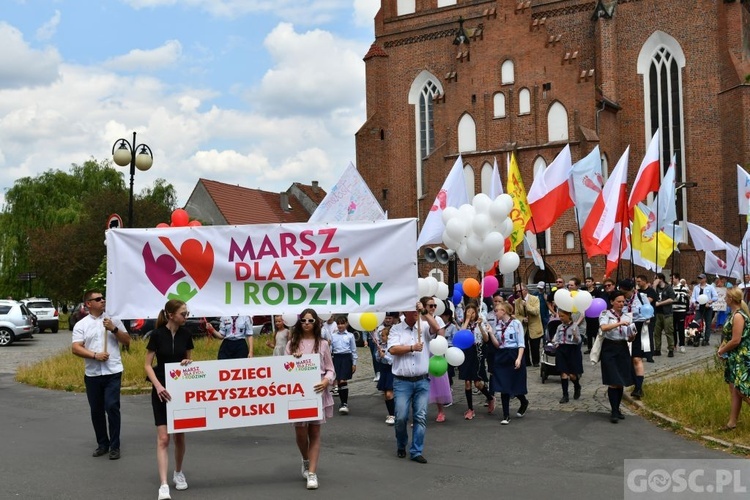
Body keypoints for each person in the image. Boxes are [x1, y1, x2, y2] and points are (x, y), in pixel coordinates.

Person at [144, 299, 194, 500]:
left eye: (187, 313)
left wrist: (187, 362)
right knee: (164, 438)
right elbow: (148, 365)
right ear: (171, 315)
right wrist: (158, 386)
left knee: (179, 436)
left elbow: (190, 362)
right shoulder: (156, 335)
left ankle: (178, 473)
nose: (186, 316)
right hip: (161, 389)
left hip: (180, 390)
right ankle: (164, 484)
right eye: (183, 313)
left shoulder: (186, 334)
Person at [71, 290, 130, 461]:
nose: (102, 300)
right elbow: (76, 348)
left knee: (112, 406)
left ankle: (115, 446)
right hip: (93, 373)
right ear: (88, 304)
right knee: (96, 410)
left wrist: (114, 329)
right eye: (98, 299)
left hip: (112, 371)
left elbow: (127, 340)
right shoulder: (81, 325)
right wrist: (95, 355)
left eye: (103, 298)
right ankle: (102, 443)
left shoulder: (113, 319)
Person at [286, 308, 335, 490]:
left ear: (316, 323)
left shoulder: (322, 344)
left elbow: (330, 368)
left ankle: (312, 473)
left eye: (311, 321)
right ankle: (306, 460)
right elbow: (283, 369)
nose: (307, 323)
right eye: (304, 320)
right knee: (300, 433)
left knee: (314, 432)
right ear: (299, 322)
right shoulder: (292, 344)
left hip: (317, 393)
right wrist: (293, 360)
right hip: (298, 395)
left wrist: (326, 381)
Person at [388, 300, 440, 464]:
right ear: (405, 312)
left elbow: (436, 329)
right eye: (413, 310)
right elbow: (393, 349)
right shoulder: (396, 329)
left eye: (416, 310)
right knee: (401, 417)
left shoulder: (423, 327)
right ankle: (401, 443)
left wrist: (425, 312)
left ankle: (416, 450)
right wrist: (411, 348)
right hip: (402, 381)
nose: (415, 312)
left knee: (420, 416)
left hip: (422, 381)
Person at [599, 290, 636, 423]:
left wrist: (632, 336)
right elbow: (604, 328)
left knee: (620, 381)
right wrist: (619, 323)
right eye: (618, 301)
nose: (621, 304)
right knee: (613, 380)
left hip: (622, 347)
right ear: (612, 302)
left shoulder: (627, 316)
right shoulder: (605, 314)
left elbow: (629, 337)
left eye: (623, 301)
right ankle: (614, 411)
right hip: (609, 347)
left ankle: (617, 408)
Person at [489, 302, 529, 425]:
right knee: (503, 385)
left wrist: (518, 358)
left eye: (497, 310)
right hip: (502, 355)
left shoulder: (516, 324)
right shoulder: (498, 325)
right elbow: (497, 344)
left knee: (515, 385)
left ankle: (523, 401)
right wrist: (490, 332)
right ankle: (506, 415)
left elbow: (521, 343)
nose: (495, 312)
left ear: (504, 311)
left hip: (513, 354)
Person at [716, 288, 750, 430]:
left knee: (742, 390)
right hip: (734, 356)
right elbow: (729, 337)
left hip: (742, 356)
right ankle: (732, 422)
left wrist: (722, 350)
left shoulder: (738, 316)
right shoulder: (733, 314)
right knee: (735, 390)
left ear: (731, 299)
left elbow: (736, 340)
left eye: (726, 297)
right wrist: (723, 347)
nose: (724, 299)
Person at [458, 303, 494, 420]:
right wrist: (467, 320)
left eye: (473, 312)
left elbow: (486, 339)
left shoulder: (481, 322)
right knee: (467, 382)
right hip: (466, 352)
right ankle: (470, 409)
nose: (471, 315)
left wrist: (480, 327)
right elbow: (461, 335)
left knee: (477, 383)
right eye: (468, 312)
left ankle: (489, 397)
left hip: (477, 352)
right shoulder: (464, 324)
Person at [618, 279, 648, 399]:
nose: (623, 295)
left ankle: (639, 388)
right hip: (625, 326)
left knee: (636, 358)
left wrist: (648, 318)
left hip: (639, 326)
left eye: (625, 292)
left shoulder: (641, 297)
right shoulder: (620, 299)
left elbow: (649, 311)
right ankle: (632, 382)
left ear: (631, 290)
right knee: (627, 358)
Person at [552, 307, 583, 403]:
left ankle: (577, 385)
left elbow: (579, 341)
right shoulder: (559, 327)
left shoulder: (575, 326)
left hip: (572, 350)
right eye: (559, 316)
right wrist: (556, 344)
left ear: (568, 315)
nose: (560, 318)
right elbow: (556, 338)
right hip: (561, 349)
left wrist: (575, 337)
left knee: (572, 375)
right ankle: (565, 395)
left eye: (562, 316)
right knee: (563, 373)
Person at [331, 315, 357, 415]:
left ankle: (344, 403)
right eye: (338, 324)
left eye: (342, 323)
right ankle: (342, 402)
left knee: (343, 380)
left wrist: (354, 363)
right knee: (338, 380)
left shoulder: (350, 336)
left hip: (346, 358)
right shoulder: (333, 336)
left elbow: (353, 350)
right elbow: (331, 349)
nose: (340, 325)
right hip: (337, 358)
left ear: (346, 324)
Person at [515, 283, 543, 368]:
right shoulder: (517, 301)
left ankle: (536, 361)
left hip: (534, 326)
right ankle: (526, 361)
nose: (518, 293)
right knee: (524, 345)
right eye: (517, 291)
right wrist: (522, 319)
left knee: (535, 345)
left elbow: (536, 311)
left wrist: (526, 305)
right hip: (524, 327)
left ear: (525, 290)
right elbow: (516, 315)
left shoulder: (535, 299)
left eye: (520, 290)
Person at [375, 315, 397, 425]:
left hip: (391, 370)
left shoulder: (392, 347)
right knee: (386, 393)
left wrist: (385, 356)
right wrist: (379, 355)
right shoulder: (382, 345)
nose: (381, 337)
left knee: (390, 393)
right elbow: (377, 359)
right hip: (384, 369)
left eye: (383, 336)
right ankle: (391, 412)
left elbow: (393, 360)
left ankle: (393, 414)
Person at [652, 273, 676, 357]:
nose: (654, 280)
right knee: (657, 332)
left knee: (668, 332)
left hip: (667, 313)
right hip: (658, 313)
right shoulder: (656, 288)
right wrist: (654, 286)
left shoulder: (668, 287)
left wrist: (660, 303)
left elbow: (671, 299)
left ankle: (671, 349)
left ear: (661, 279)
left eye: (656, 279)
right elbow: (653, 296)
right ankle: (657, 349)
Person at [691, 273, 718, 345]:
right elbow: (693, 297)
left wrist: (710, 302)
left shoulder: (710, 287)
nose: (700, 280)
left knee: (708, 323)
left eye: (701, 278)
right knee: (696, 323)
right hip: (698, 307)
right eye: (699, 278)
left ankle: (706, 339)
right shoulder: (696, 287)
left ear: (705, 279)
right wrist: (694, 302)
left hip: (707, 308)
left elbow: (715, 297)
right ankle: (696, 337)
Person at [671, 273, 690, 353]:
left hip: (681, 311)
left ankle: (682, 345)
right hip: (672, 311)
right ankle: (674, 344)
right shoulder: (670, 287)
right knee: (673, 329)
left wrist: (673, 294)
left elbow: (682, 299)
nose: (671, 280)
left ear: (677, 279)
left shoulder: (683, 288)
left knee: (681, 328)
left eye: (673, 278)